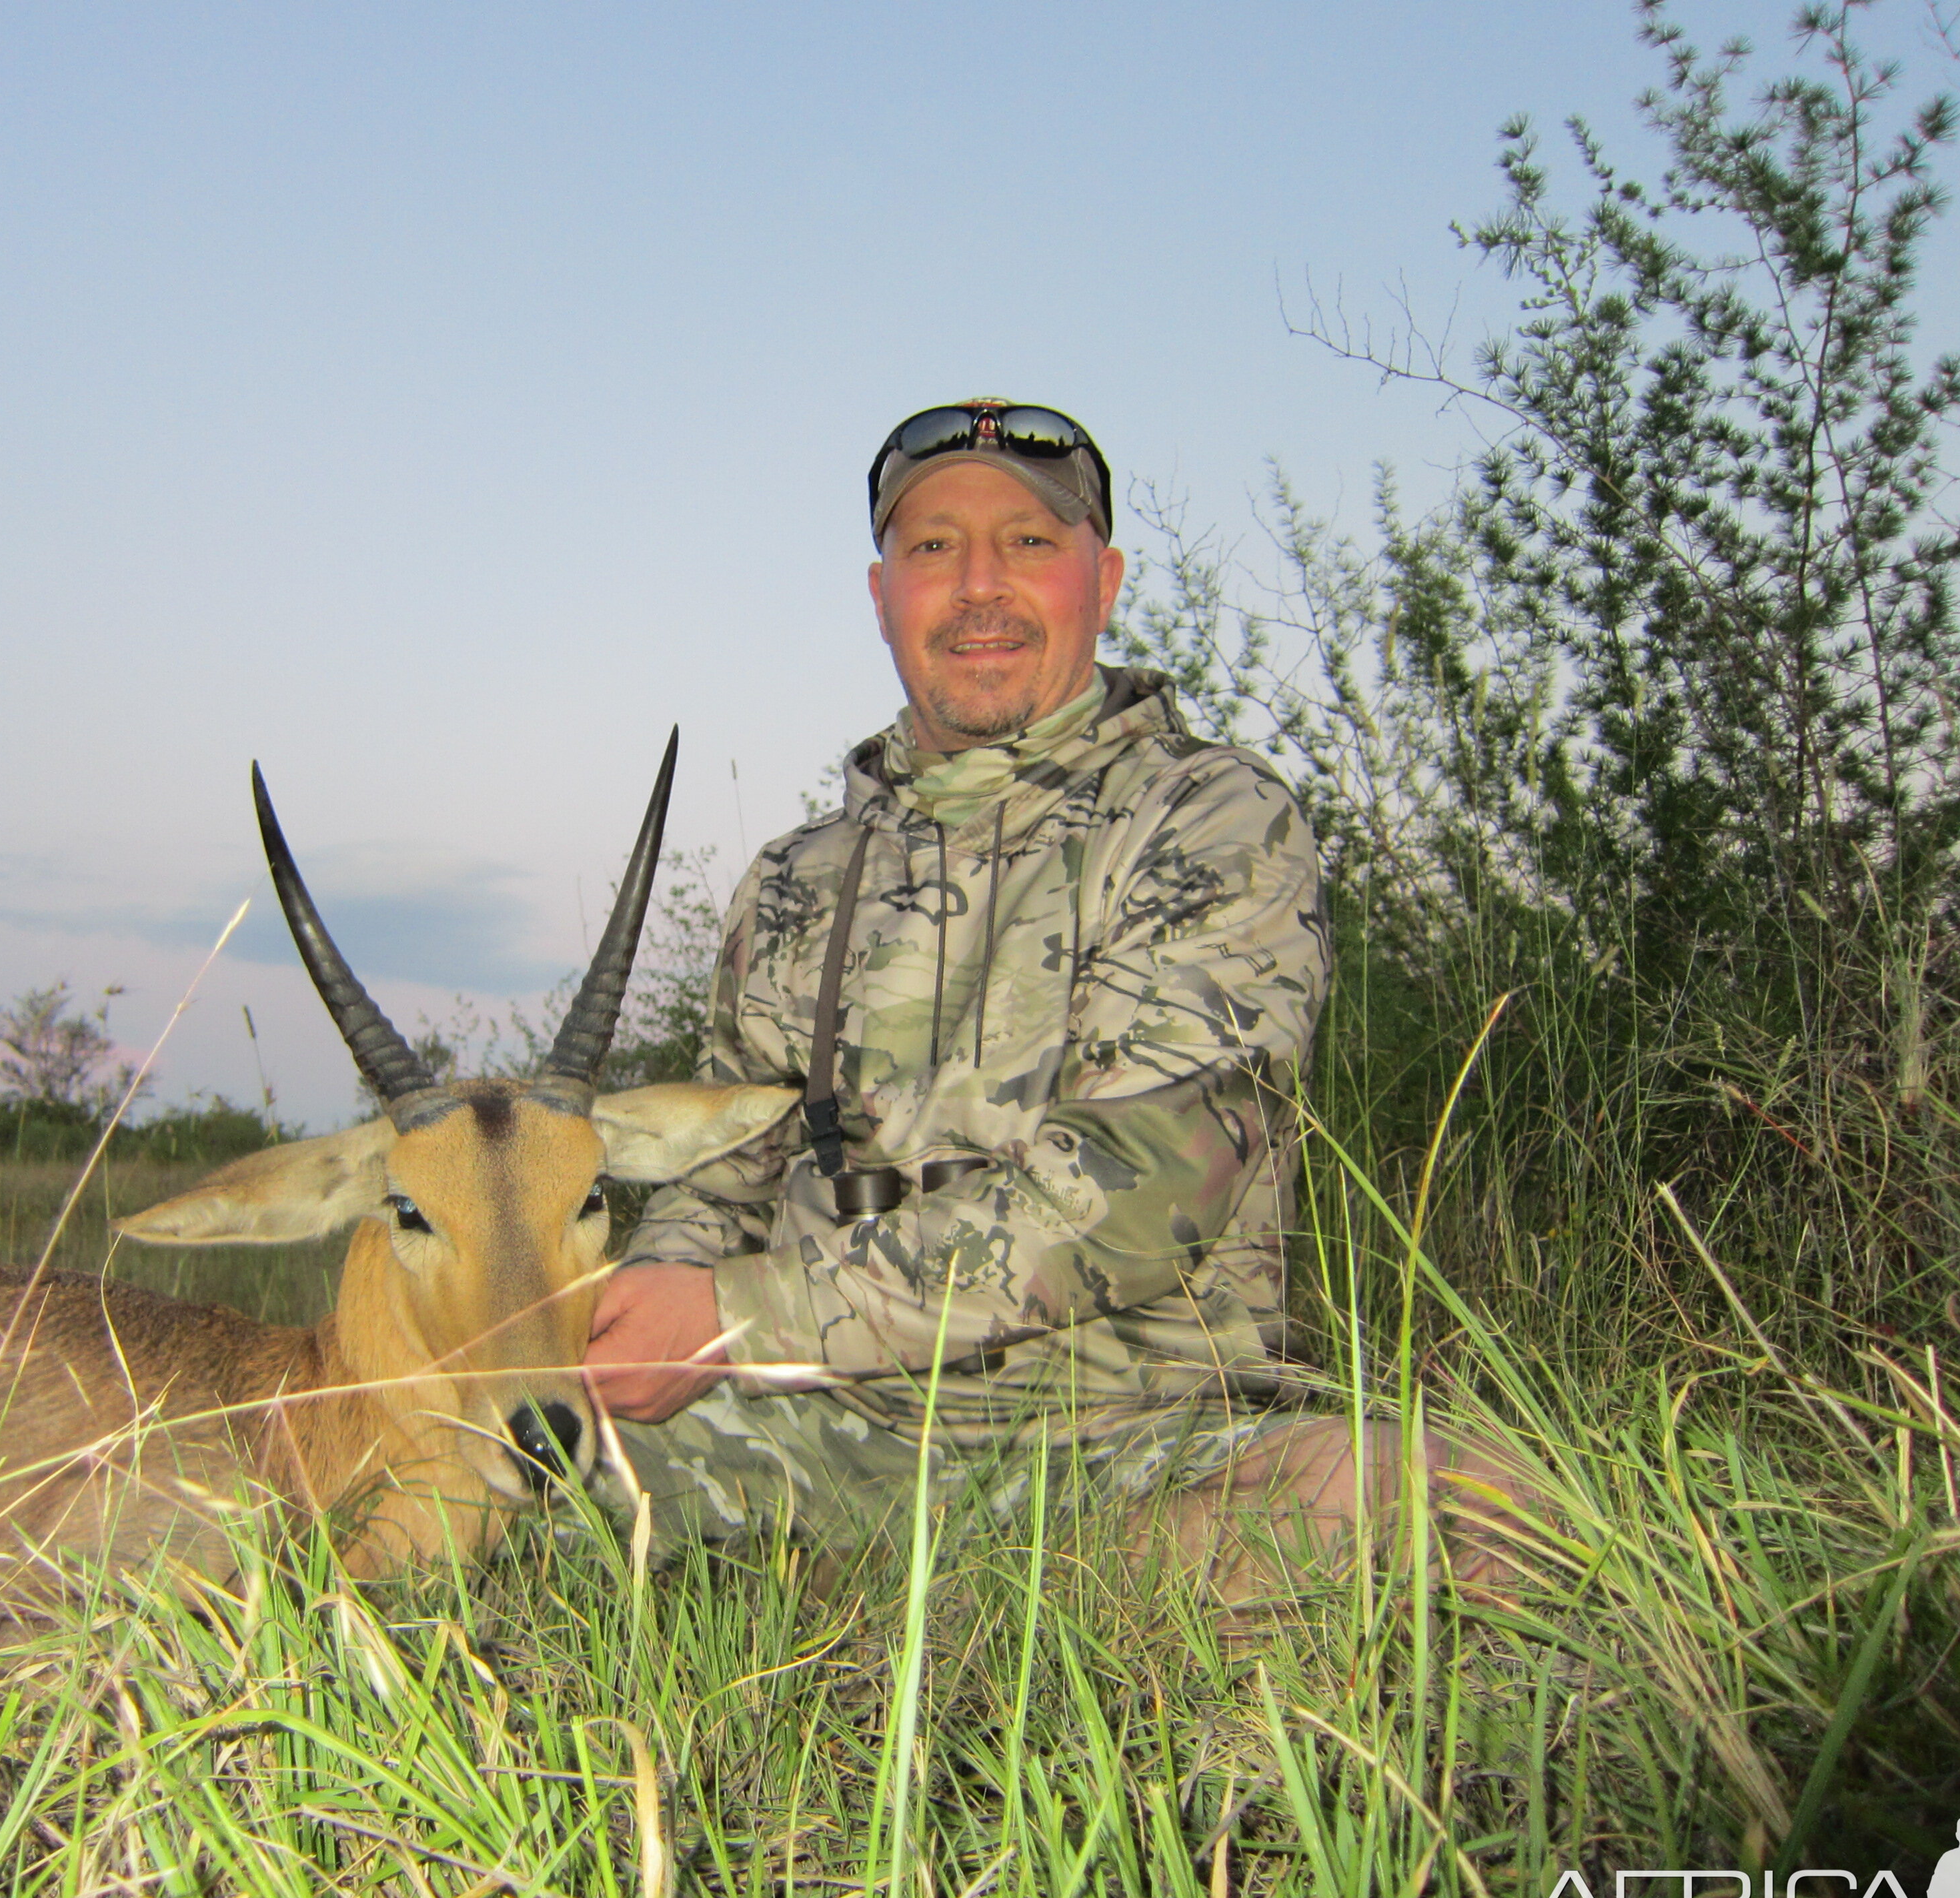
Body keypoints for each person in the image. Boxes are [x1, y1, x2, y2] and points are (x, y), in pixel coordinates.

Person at [583, 398, 1530, 1589]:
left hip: (1131, 1438)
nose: (981, 585)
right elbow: (712, 1189)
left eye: (1031, 542)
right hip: (816, 1438)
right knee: (468, 1473)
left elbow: (1139, 1193)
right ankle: (893, 1608)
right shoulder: (790, 885)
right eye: (933, 548)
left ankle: (969, 1605)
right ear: (883, 596)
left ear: (1106, 579)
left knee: (1467, 1512)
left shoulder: (1214, 818)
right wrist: (645, 1317)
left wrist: (733, 1317)